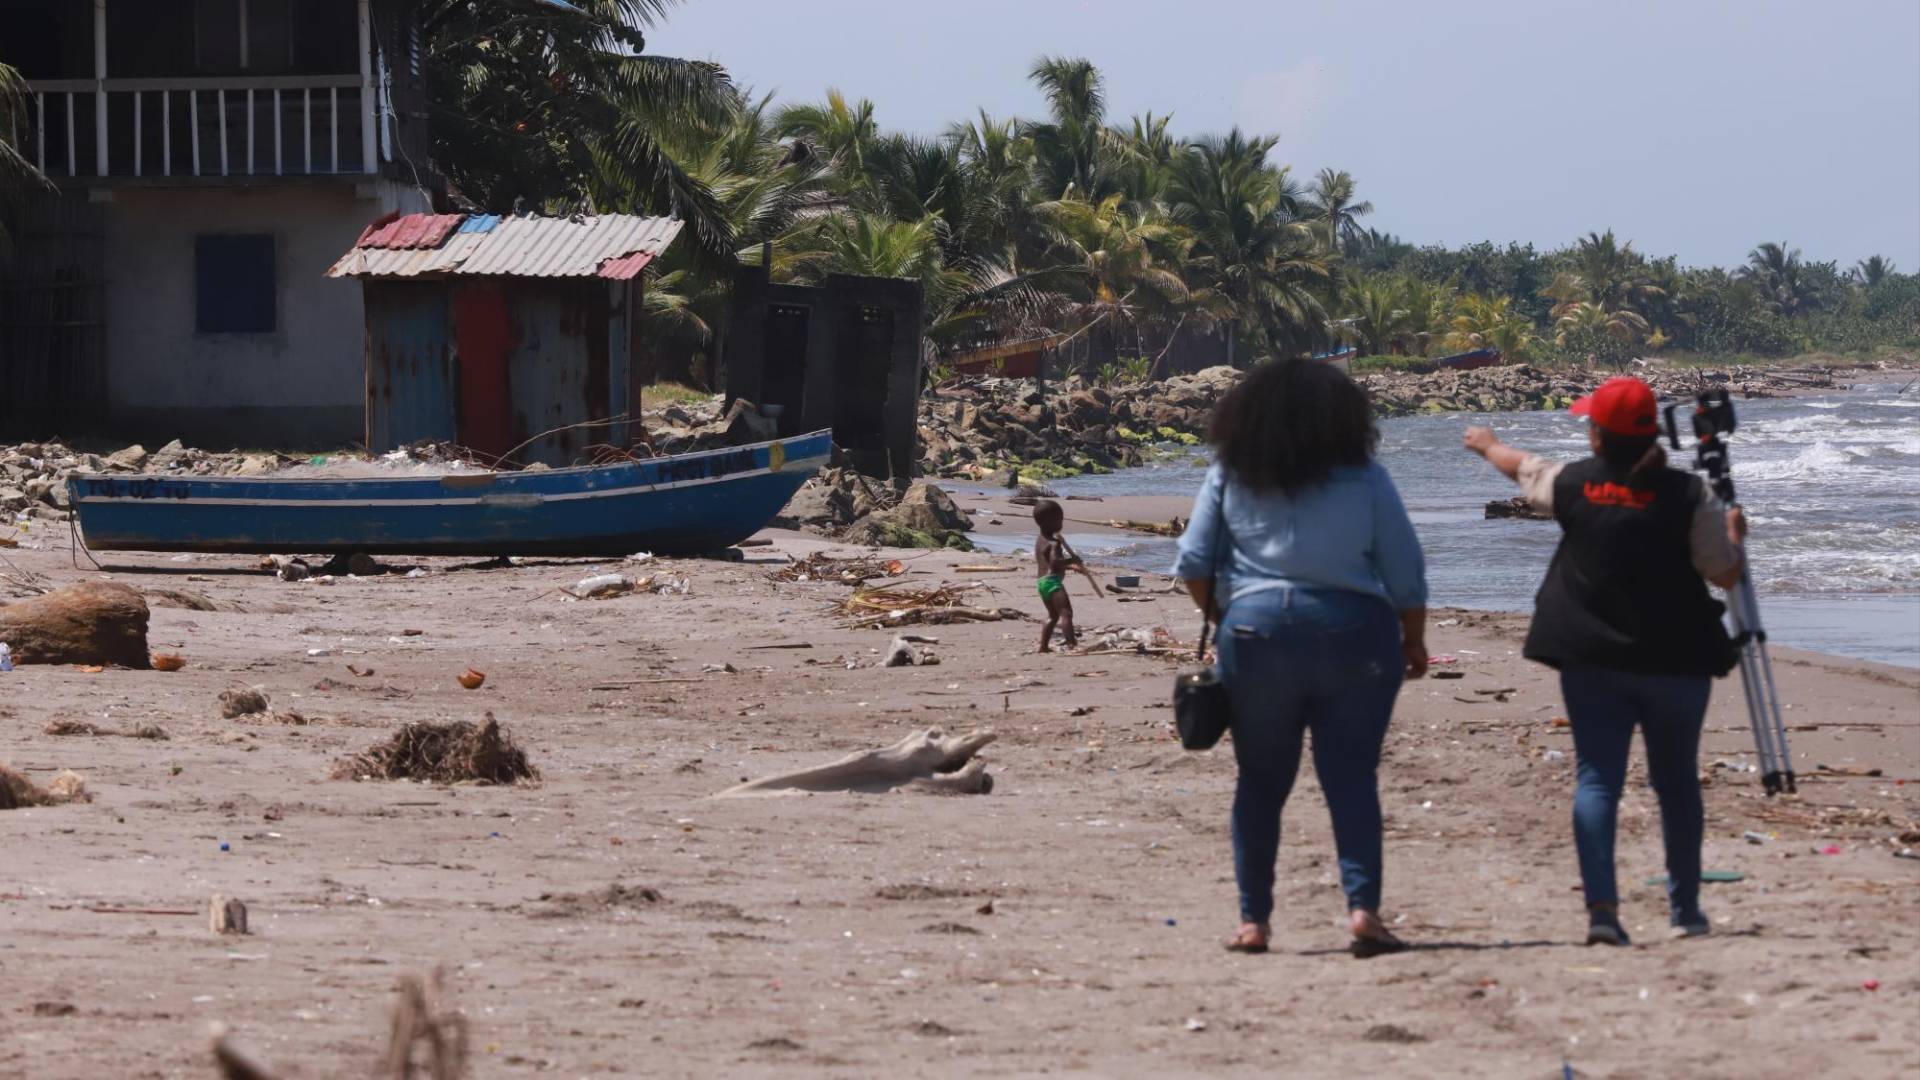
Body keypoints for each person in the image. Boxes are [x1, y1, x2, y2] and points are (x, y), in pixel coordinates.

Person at [1464, 376, 1745, 946]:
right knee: (1677, 784)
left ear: (1596, 438)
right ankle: (1686, 910)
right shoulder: (1691, 495)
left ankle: (1603, 914)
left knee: (1597, 781)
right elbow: (1725, 574)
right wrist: (1737, 536)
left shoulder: (1574, 484)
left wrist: (1487, 443)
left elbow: (1523, 467)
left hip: (1591, 657)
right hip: (1677, 660)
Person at [1173, 358, 1429, 958]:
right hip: (1356, 633)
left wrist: (1229, 620)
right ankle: (1363, 910)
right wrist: (1413, 639)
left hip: (1257, 632)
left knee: (1260, 783)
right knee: (1351, 779)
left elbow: (1192, 564)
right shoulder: (1365, 477)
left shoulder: (1232, 473)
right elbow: (1406, 571)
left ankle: (1253, 923)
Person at [1032, 499, 1099, 653]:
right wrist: (1072, 559)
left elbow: (1049, 564)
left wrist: (1071, 566)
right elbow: (1056, 563)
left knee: (1053, 616)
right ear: (1051, 522)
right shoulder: (1054, 543)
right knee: (1066, 613)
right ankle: (1072, 645)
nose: (1062, 523)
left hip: (1042, 582)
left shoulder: (1040, 540)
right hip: (1053, 582)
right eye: (1060, 519)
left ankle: (1043, 646)